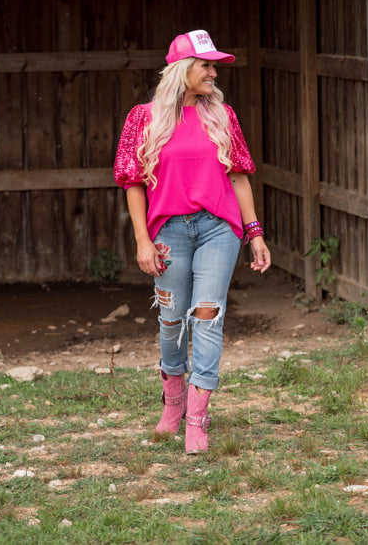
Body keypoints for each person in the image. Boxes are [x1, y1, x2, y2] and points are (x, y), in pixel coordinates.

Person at [114, 29, 271, 454]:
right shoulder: (142, 118)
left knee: (207, 315)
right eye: (206, 65)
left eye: (214, 65)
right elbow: (131, 183)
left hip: (218, 228)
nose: (213, 72)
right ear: (183, 69)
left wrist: (254, 233)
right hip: (168, 232)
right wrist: (142, 242)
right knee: (171, 320)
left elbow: (238, 174)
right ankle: (173, 402)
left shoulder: (223, 116)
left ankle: (197, 418)